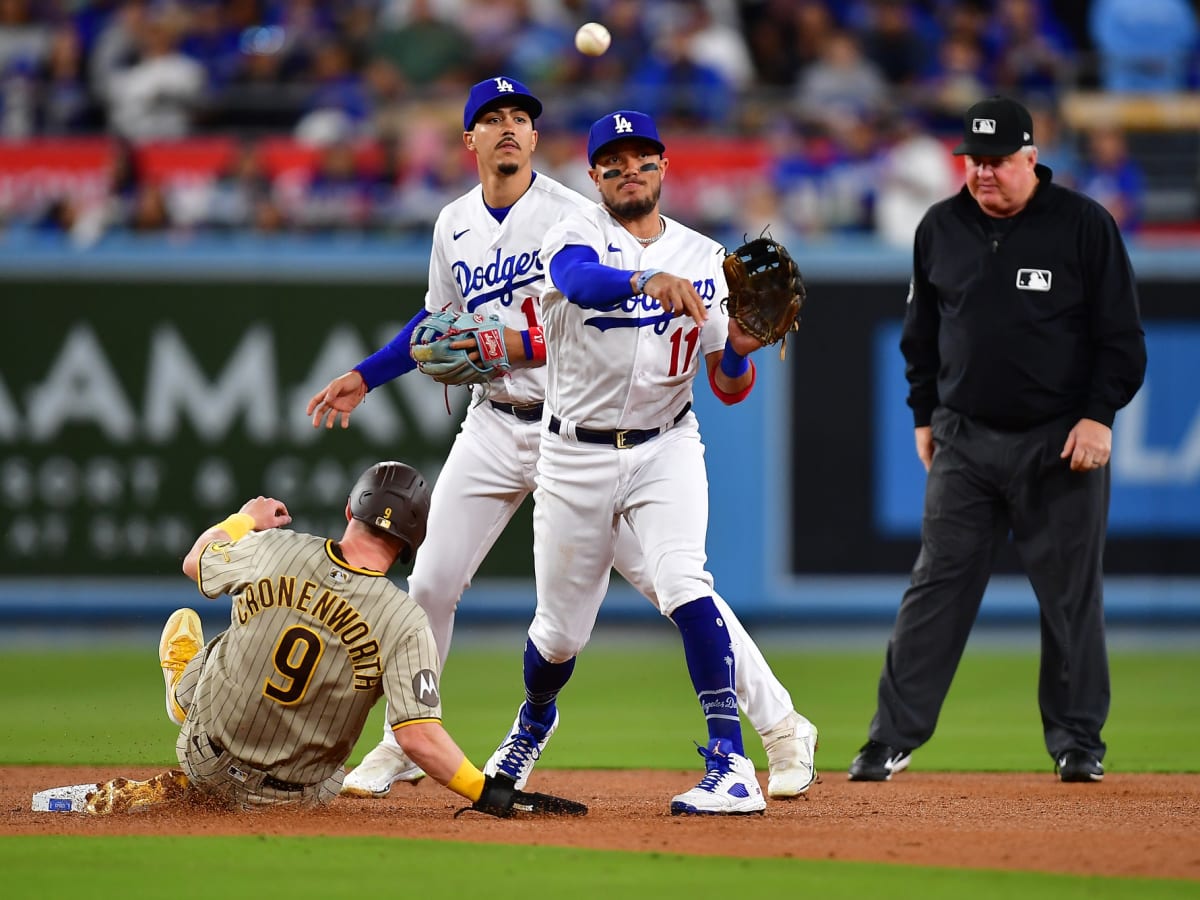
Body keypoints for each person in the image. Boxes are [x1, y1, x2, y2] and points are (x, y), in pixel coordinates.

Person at [307, 77, 818, 801]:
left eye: (521, 116)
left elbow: (585, 313)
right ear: (471, 140)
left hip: (606, 430)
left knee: (677, 585)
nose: (509, 127)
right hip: (508, 424)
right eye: (493, 118)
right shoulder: (459, 223)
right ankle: (403, 739)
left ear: (539, 138)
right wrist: (368, 373)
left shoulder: (581, 216)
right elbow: (446, 321)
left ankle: (779, 729)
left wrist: (727, 343)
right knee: (436, 584)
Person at [481, 109, 779, 816]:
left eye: (642, 158)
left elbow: (728, 388)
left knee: (684, 581)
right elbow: (581, 283)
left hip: (665, 445)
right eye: (612, 162)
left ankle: (731, 763)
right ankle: (532, 724)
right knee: (557, 635)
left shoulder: (709, 260)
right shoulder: (572, 232)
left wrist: (738, 349)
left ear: (663, 167)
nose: (629, 170)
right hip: (572, 453)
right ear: (595, 176)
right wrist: (647, 282)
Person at [847, 96, 1147, 784]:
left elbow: (1123, 341)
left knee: (1071, 596)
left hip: (1059, 442)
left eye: (997, 161)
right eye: (974, 161)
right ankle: (890, 739)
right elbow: (920, 338)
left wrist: (1099, 416)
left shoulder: (1082, 226)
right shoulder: (940, 227)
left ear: (1030, 159)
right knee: (936, 589)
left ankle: (1077, 744)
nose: (983, 173)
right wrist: (924, 413)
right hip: (966, 440)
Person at [101, 460, 567, 815]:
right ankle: (193, 704)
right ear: (414, 542)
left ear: (350, 509)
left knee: (243, 633)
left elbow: (195, 561)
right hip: (297, 800)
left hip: (204, 757)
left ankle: (186, 694)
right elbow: (420, 737)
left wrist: (244, 518)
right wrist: (489, 792)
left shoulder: (274, 547)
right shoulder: (405, 621)